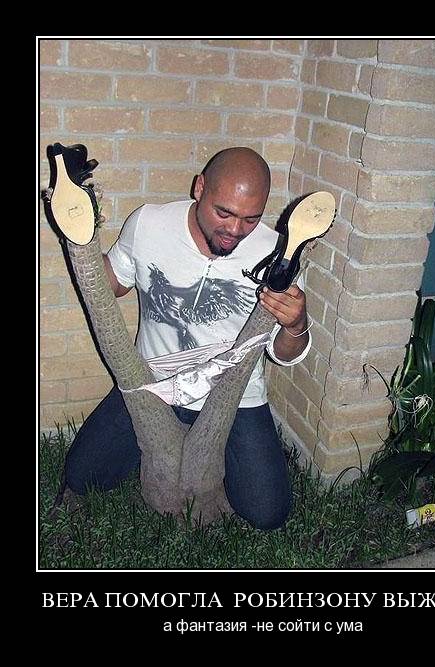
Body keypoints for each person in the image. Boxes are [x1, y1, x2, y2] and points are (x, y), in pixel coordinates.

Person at [64, 147, 312, 530]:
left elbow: (284, 353)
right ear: (200, 188)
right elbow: (114, 284)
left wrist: (296, 325)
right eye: (224, 213)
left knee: (268, 512)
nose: (235, 230)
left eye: (251, 218)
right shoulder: (149, 224)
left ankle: (209, 455)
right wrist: (79, 232)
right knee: (82, 476)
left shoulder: (276, 251)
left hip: (235, 398)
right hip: (152, 387)